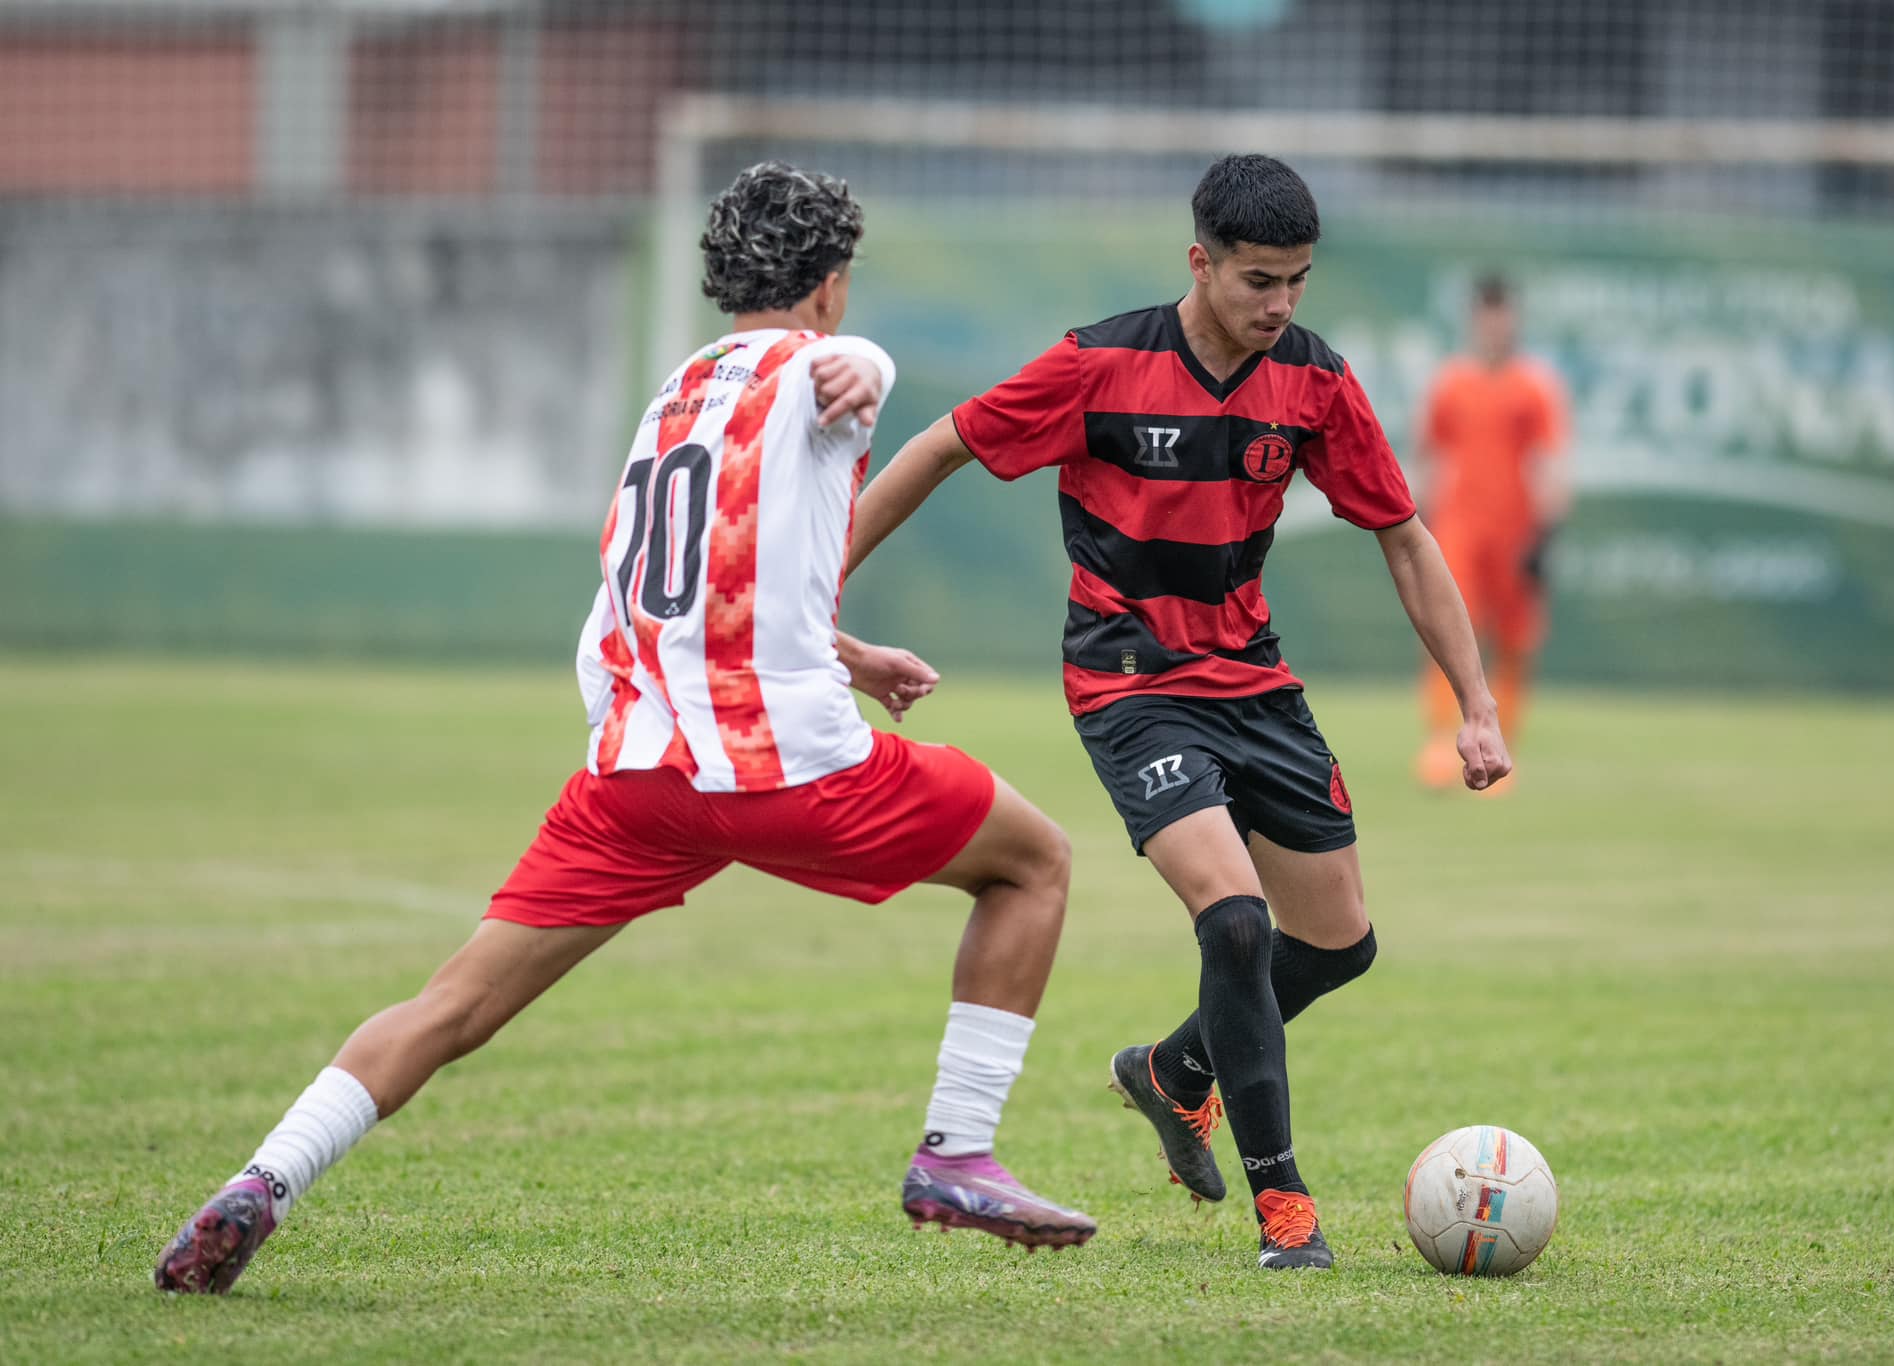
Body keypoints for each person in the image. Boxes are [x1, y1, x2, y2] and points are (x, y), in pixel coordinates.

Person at [154, 162, 1095, 1296]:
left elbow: (662, 589)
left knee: (451, 1005)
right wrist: (866, 363)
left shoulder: (673, 397)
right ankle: (956, 1152)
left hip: (634, 775)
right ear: (834, 285)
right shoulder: (827, 366)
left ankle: (265, 1178)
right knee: (1034, 861)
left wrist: (843, 652)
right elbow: (851, 378)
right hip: (781, 766)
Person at [845, 154, 1510, 1271]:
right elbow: (939, 447)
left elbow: (1400, 533)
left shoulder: (1312, 380)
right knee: (1237, 922)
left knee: (1338, 943)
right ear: (1197, 262)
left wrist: (1475, 704)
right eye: (1258, 280)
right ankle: (1282, 1205)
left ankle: (1172, 1070)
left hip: (1251, 676)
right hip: (1127, 676)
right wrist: (820, 585)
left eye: (1297, 280)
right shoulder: (1097, 364)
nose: (1280, 305)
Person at [1413, 274, 1571, 792]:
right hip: (1459, 527)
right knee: (1449, 631)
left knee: (1514, 639)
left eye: (1503, 314)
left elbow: (1550, 461)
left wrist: (1546, 533)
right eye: (1487, 314)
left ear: (1514, 318)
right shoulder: (1450, 383)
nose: (1495, 325)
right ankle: (1442, 740)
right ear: (1475, 319)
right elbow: (1430, 455)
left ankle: (1502, 746)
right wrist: (1422, 526)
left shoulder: (1536, 386)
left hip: (1515, 530)